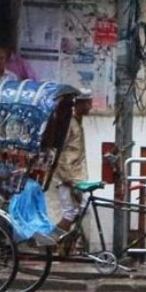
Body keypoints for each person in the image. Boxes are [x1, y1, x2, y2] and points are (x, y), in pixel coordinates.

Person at [53, 89, 93, 238]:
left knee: (82, 209)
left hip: (75, 176)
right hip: (67, 177)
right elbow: (59, 152)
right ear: (80, 104)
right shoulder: (68, 123)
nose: (90, 106)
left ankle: (65, 242)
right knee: (71, 212)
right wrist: (68, 180)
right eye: (88, 103)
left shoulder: (76, 122)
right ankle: (51, 242)